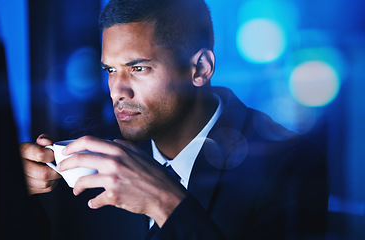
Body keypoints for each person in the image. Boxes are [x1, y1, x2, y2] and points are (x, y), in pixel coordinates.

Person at [20, 0, 328, 239]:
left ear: (201, 69)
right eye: (110, 70)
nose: (117, 91)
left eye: (138, 68)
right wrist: (18, 194)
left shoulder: (291, 165)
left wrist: (165, 202)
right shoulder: (97, 152)